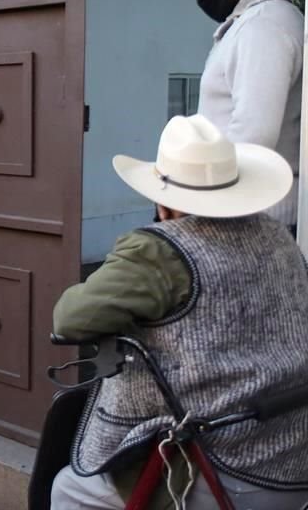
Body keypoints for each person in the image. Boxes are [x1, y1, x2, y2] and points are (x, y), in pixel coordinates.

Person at [50, 115, 308, 510]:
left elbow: (70, 317)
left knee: (68, 490)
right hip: (292, 460)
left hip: (212, 467)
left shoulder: (159, 253)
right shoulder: (278, 237)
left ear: (164, 202)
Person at [190, 0, 304, 232]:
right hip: (248, 210)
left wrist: (198, 199)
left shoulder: (263, 27)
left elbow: (253, 134)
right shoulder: (257, 21)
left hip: (252, 217)